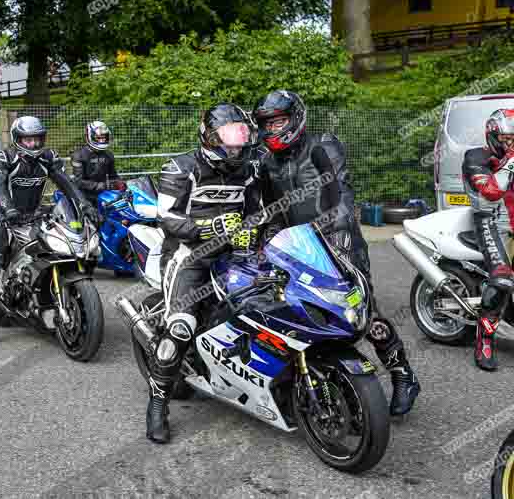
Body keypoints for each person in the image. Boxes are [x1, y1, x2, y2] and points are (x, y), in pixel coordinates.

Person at [252, 90, 420, 414]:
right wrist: (268, 240)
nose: (274, 130)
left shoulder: (323, 145)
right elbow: (273, 209)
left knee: (362, 312)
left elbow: (340, 191)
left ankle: (403, 374)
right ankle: (314, 376)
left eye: (280, 122)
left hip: (338, 240)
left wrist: (335, 231)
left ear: (296, 117)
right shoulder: (267, 162)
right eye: (268, 125)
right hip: (297, 245)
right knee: (301, 308)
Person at [145, 103, 263, 443]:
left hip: (234, 254)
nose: (235, 147)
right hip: (188, 256)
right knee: (181, 328)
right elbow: (165, 218)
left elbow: (256, 212)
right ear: (209, 138)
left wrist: (250, 231)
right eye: (228, 140)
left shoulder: (249, 169)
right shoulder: (181, 168)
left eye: (240, 138)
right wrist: (209, 228)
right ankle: (158, 404)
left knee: (266, 303)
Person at [0, 116, 96, 347]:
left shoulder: (48, 158)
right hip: (4, 217)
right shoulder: (4, 157)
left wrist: (84, 205)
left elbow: (67, 183)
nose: (33, 145)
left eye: (37, 139)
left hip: (34, 216)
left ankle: (44, 299)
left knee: (53, 253)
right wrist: (8, 209)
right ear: (18, 139)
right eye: (28, 140)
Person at [461, 108, 514, 371]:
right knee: (503, 278)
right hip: (489, 221)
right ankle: (485, 338)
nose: (511, 144)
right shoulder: (475, 157)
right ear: (493, 135)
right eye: (507, 139)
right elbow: (492, 192)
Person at [71, 121, 126, 207]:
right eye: (99, 137)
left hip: (103, 194)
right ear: (90, 136)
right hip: (83, 195)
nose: (102, 140)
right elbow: (79, 181)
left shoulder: (109, 155)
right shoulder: (78, 155)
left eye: (104, 137)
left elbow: (113, 176)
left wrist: (120, 183)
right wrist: (102, 185)